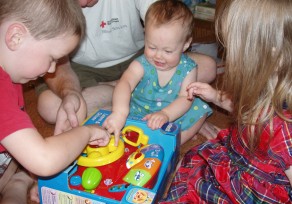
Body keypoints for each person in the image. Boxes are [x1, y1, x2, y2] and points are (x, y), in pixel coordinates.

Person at [156, 0, 292, 204]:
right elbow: (246, 108)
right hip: (234, 164)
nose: (229, 57)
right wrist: (215, 96)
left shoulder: (287, 132)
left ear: (272, 58)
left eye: (236, 50)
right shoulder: (266, 87)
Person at [36, 0, 218, 139]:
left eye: (167, 51)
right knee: (50, 106)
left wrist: (174, 113)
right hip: (83, 70)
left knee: (208, 67)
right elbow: (52, 61)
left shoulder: (156, 55)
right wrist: (71, 92)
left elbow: (168, 24)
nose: (83, 4)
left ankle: (123, 95)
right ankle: (122, 93)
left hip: (139, 56)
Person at [0, 1, 111, 204]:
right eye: (51, 58)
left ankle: (18, 182)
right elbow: (44, 160)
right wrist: (87, 133)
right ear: (16, 37)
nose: (52, 69)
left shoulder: (9, 73)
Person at [103, 0, 212, 145]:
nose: (158, 56)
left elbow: (185, 98)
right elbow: (125, 83)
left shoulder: (189, 68)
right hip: (139, 112)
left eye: (167, 51)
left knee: (199, 109)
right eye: (152, 47)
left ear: (186, 44)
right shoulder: (141, 64)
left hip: (173, 113)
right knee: (117, 114)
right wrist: (120, 112)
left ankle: (174, 143)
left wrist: (166, 114)